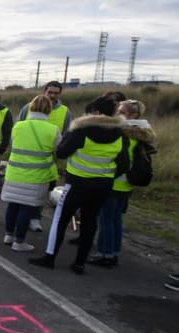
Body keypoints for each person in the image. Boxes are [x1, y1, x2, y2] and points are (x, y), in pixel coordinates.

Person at [29, 96, 129, 274]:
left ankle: (50, 257)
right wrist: (106, 174)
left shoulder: (82, 131)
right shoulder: (120, 135)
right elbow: (123, 164)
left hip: (77, 183)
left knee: (61, 220)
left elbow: (61, 152)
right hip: (102, 186)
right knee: (90, 223)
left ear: (96, 113)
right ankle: (79, 263)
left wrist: (68, 135)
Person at [89, 99, 156, 267]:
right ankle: (114, 252)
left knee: (106, 220)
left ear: (133, 115)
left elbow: (117, 159)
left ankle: (105, 254)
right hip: (127, 185)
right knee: (116, 219)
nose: (117, 115)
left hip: (115, 182)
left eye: (121, 112)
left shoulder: (124, 133)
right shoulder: (141, 132)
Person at [0, 95, 61, 251]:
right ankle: (19, 242)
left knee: (13, 205)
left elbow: (14, 144)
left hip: (15, 172)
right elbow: (58, 152)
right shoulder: (53, 130)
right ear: (49, 110)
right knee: (26, 208)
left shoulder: (18, 126)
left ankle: (9, 235)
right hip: (36, 175)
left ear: (31, 108)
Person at [18, 80, 73, 231]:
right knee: (24, 190)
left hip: (48, 160)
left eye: (56, 93)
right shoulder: (28, 108)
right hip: (25, 158)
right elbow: (17, 129)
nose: (53, 95)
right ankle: (20, 217)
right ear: (44, 91)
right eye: (50, 92)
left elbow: (68, 135)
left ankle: (35, 218)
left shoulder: (65, 112)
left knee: (42, 192)